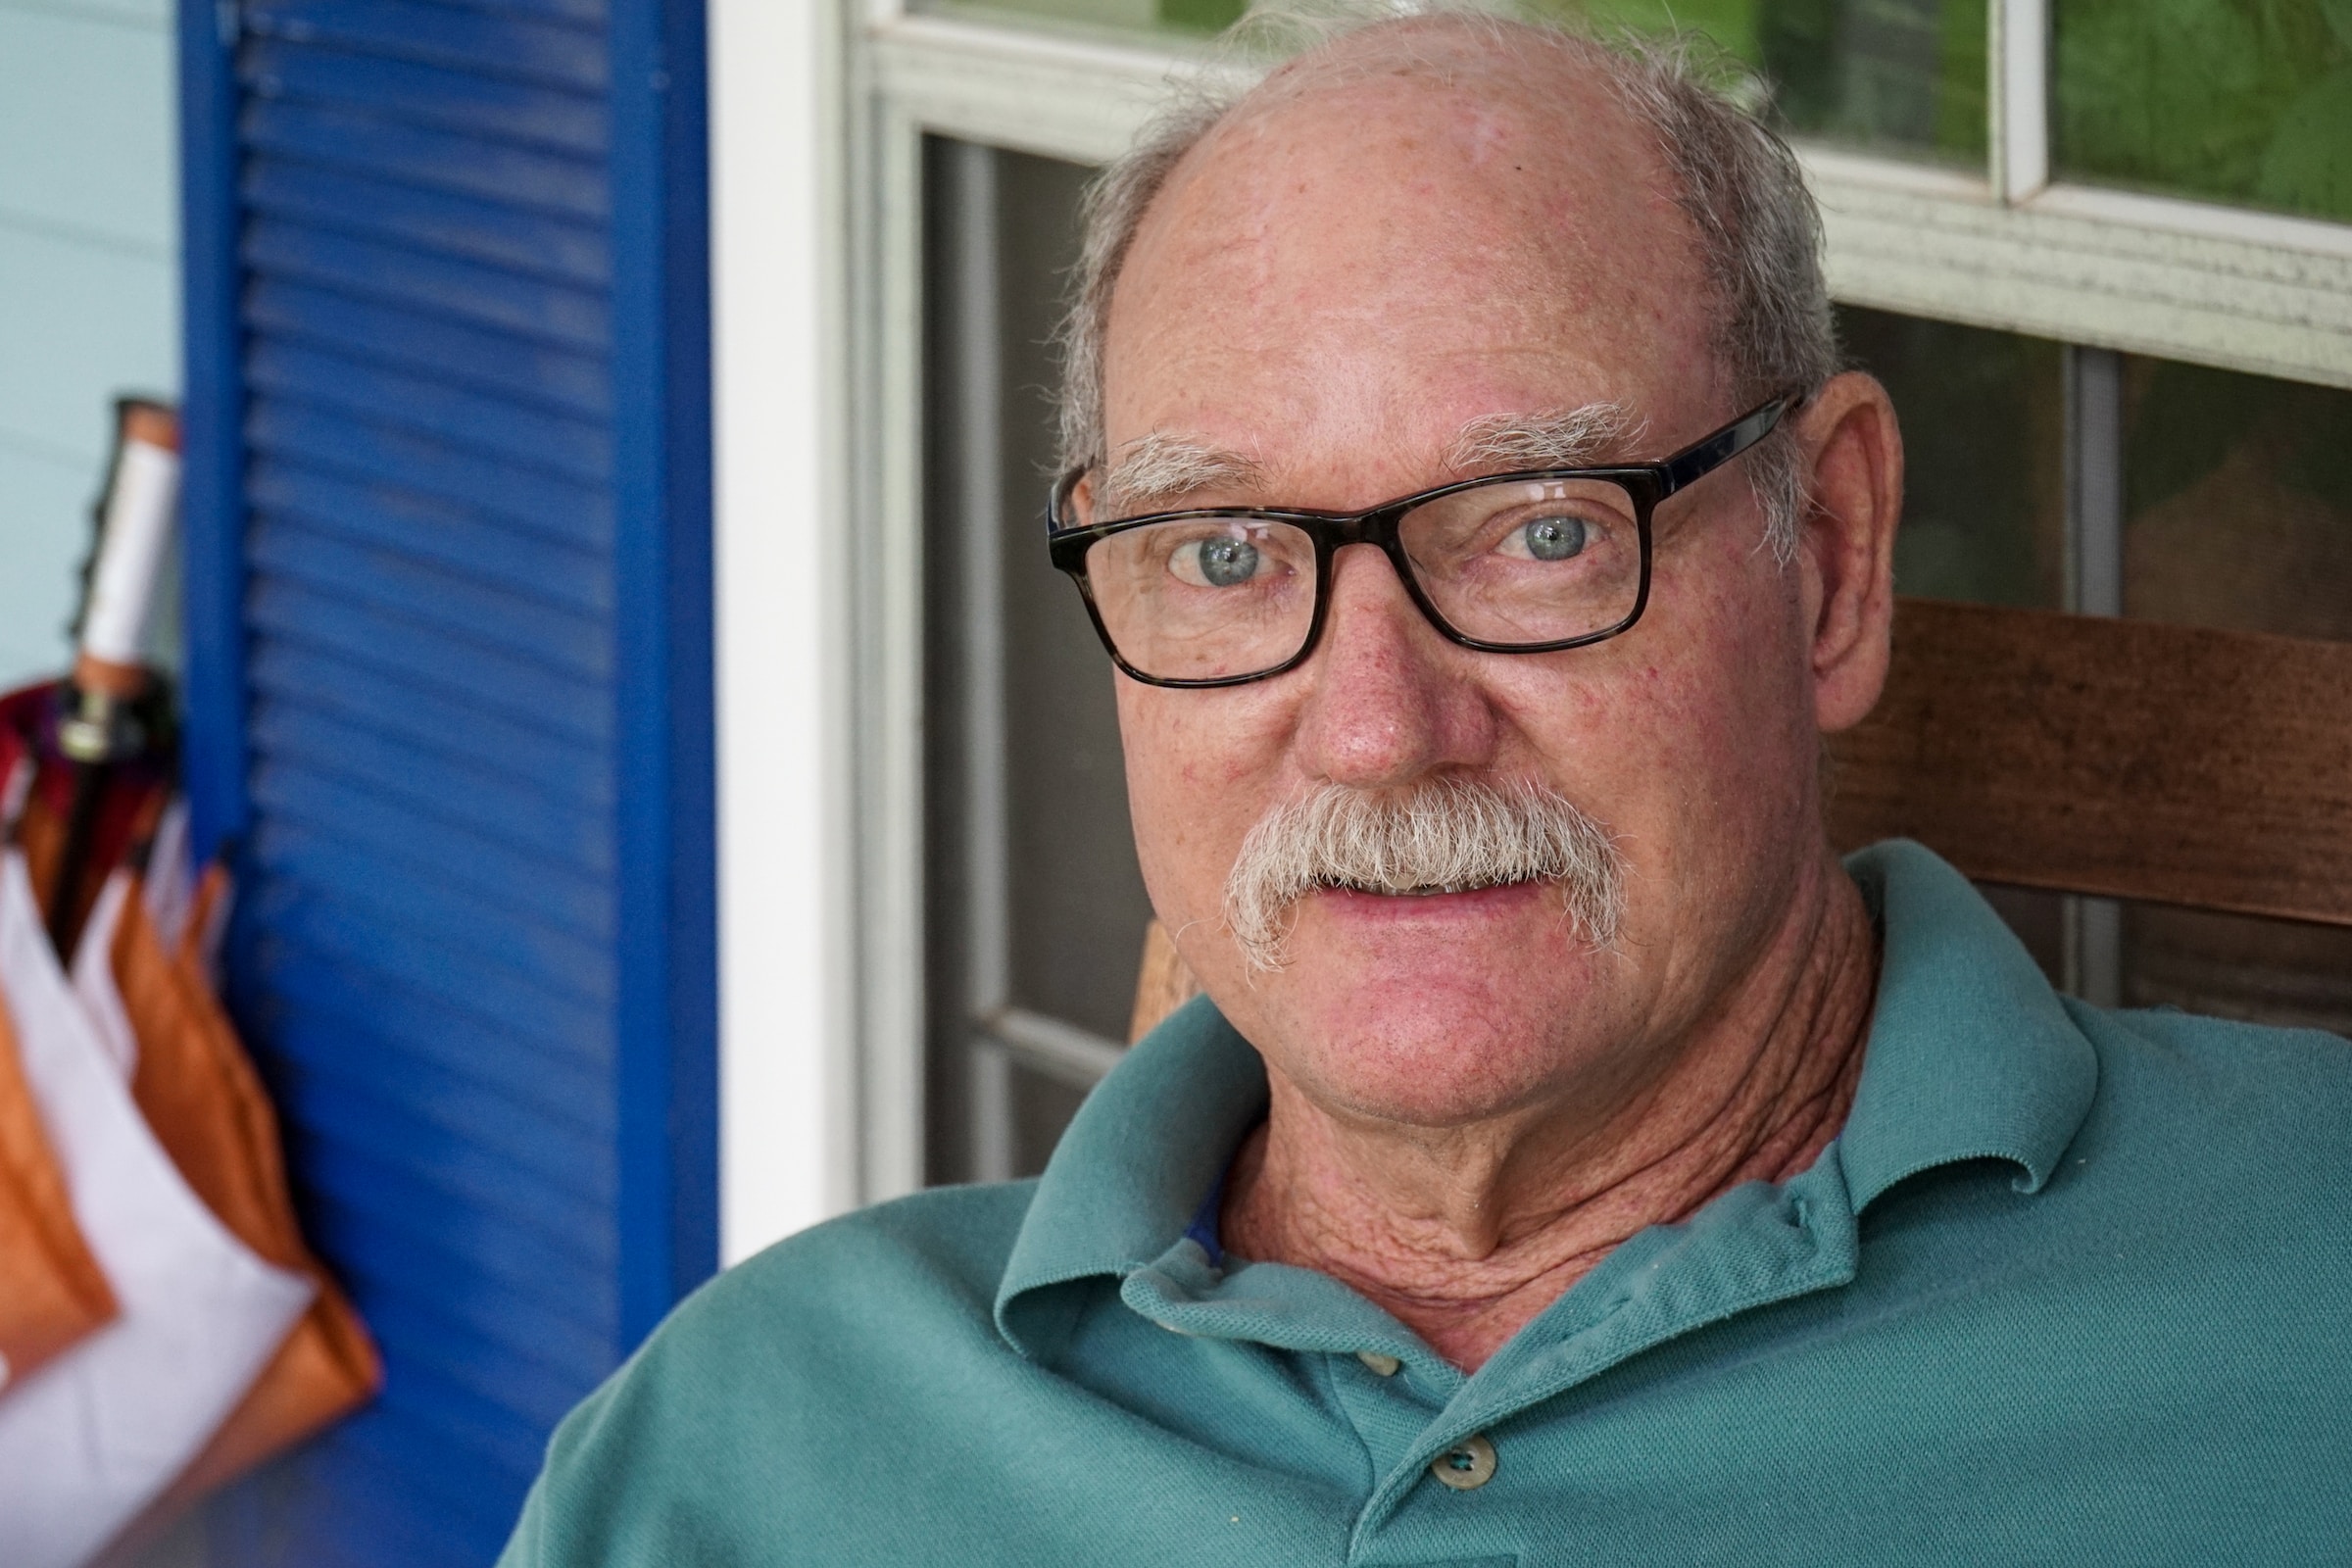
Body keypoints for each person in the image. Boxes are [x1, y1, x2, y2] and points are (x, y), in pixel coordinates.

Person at [500, 11, 2352, 1563]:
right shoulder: (757, 1440)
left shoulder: (2305, 1294)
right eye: (1224, 554)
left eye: (1542, 531)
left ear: (1834, 558)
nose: (1379, 726)